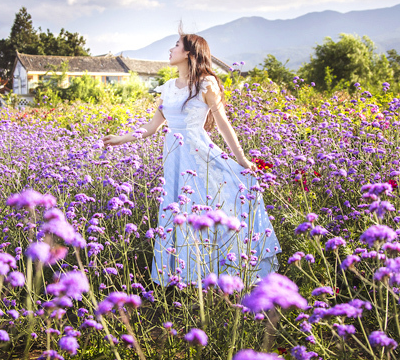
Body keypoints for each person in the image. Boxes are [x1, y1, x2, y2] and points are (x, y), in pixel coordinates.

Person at [102, 28, 281, 287]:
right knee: (179, 213)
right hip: (174, 158)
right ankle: (187, 280)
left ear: (188, 53)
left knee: (208, 210)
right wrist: (122, 139)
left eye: (176, 45)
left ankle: (224, 275)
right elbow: (152, 128)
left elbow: (223, 125)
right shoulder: (167, 88)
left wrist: (242, 160)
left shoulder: (206, 84)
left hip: (199, 156)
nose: (170, 50)